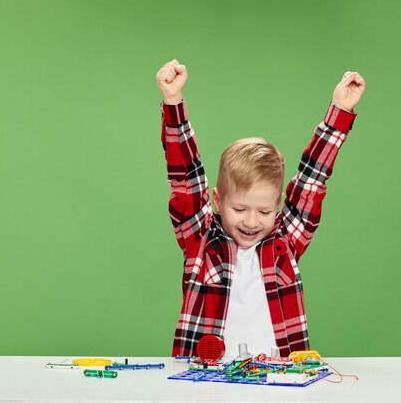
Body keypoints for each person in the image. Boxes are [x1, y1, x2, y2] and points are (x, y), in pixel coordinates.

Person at [155, 59, 366, 358]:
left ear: (277, 207)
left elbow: (312, 178)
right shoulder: (199, 239)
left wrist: (339, 113)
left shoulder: (286, 242)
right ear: (216, 201)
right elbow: (185, 177)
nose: (252, 221)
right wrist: (173, 103)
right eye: (239, 209)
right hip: (206, 382)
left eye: (264, 212)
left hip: (278, 381)